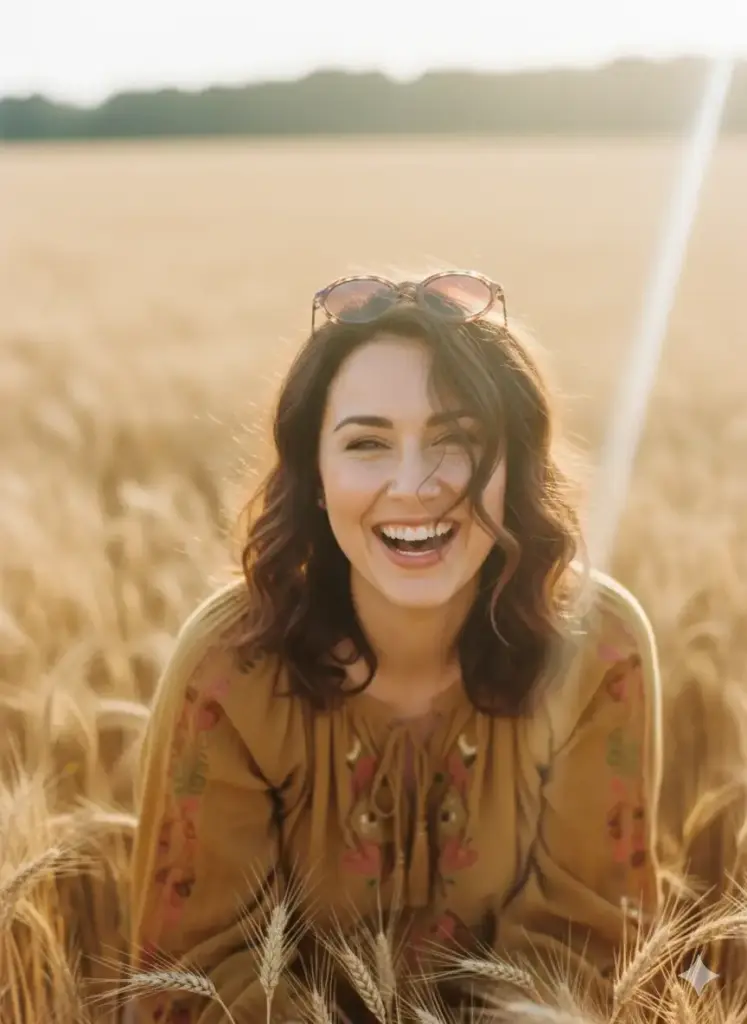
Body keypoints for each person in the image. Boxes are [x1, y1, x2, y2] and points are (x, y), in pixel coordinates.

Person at [128, 271, 663, 1024]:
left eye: (455, 441)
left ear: (512, 468)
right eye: (367, 443)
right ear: (314, 475)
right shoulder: (231, 669)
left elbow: (589, 959)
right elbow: (189, 985)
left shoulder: (594, 651)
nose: (412, 485)